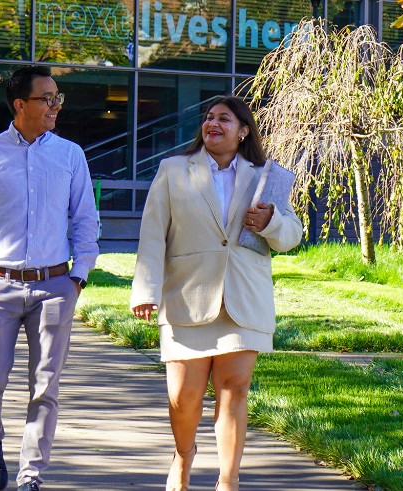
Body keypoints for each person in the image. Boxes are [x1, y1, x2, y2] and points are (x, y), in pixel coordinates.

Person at [130, 96, 303, 491]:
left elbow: (292, 236)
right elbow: (153, 234)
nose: (214, 124)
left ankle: (229, 479)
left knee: (234, 390)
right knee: (183, 396)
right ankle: (183, 456)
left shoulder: (267, 175)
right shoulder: (173, 170)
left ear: (243, 131)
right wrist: (145, 290)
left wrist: (270, 221)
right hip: (186, 298)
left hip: (245, 299)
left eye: (225, 119)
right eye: (209, 117)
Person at [0, 65, 100, 491]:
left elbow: (85, 220)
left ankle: (30, 476)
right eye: (47, 98)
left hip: (55, 287)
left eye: (58, 98)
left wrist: (79, 276)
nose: (55, 105)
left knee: (45, 387)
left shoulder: (70, 154)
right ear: (21, 105)